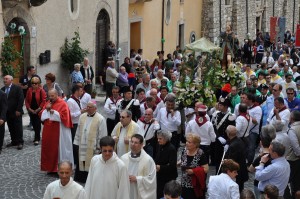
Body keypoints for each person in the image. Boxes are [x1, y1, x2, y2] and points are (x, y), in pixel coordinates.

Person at [39, 89, 74, 173]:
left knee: (60, 150)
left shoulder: (63, 104)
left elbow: (65, 117)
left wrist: (52, 112)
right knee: (48, 148)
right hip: (49, 130)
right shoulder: (48, 103)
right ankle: (50, 168)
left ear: (57, 95)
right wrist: (46, 110)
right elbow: (41, 115)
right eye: (49, 96)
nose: (50, 98)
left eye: (52, 96)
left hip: (60, 131)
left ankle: (59, 168)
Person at [73, 101, 107, 183]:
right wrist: (76, 143)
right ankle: (80, 178)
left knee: (91, 162)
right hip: (82, 144)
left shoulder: (100, 119)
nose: (87, 108)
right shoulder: (82, 117)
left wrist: (100, 146)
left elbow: (102, 133)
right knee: (81, 160)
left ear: (95, 108)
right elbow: (78, 130)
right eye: (87, 106)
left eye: (90, 107)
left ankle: (90, 179)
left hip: (93, 146)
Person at [121, 134, 157, 199]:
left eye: (136, 143)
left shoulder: (148, 160)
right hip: (126, 189)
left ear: (141, 145)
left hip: (139, 192)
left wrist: (137, 179)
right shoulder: (124, 158)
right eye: (131, 142)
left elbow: (151, 179)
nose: (133, 144)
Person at [248, 125, 276, 199]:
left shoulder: (260, 157)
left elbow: (250, 169)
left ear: (261, 143)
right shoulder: (274, 155)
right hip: (270, 183)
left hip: (259, 184)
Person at [180, 134, 208, 199]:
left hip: (195, 185)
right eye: (186, 141)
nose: (186, 143)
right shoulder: (184, 151)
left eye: (189, 142)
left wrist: (193, 171)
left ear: (195, 144)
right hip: (184, 183)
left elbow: (206, 169)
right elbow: (183, 160)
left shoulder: (200, 153)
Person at [211, 97, 235, 174]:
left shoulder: (231, 117)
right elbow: (214, 127)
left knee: (225, 161)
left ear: (226, 107)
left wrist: (228, 142)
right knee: (217, 159)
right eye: (219, 105)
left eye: (221, 105)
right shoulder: (216, 114)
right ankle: (217, 173)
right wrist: (218, 137)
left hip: (226, 141)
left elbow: (232, 132)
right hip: (218, 140)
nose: (219, 106)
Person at [1, 75, 24, 150]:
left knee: (18, 127)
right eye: (4, 79)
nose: (4, 80)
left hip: (16, 111)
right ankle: (14, 141)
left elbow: (21, 99)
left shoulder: (17, 88)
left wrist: (18, 110)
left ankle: (20, 142)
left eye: (6, 79)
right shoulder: (2, 89)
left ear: (11, 80)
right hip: (7, 112)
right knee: (11, 127)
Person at [225, 125, 249, 191]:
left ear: (228, 133)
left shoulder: (233, 146)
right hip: (241, 170)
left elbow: (231, 162)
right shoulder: (239, 140)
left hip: (237, 172)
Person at [155, 130, 178, 198]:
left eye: (160, 138)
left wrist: (160, 167)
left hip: (169, 177)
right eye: (158, 138)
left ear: (166, 138)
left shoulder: (171, 149)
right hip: (160, 176)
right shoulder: (159, 145)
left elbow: (172, 166)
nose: (158, 140)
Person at [25, 77, 47, 146]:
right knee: (33, 124)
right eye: (32, 83)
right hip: (31, 110)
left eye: (35, 83)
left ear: (38, 84)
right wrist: (29, 109)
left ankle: (37, 138)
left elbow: (43, 101)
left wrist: (38, 109)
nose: (34, 85)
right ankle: (36, 136)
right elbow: (27, 100)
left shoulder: (41, 90)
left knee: (37, 124)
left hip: (38, 110)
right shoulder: (29, 90)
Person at [286, 110, 300, 198]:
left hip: (293, 159)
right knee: (297, 181)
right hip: (297, 158)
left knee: (290, 180)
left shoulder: (292, 129)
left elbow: (295, 147)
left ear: (291, 118)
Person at [0, 89, 7, 154]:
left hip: (0, 118)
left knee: (0, 133)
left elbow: (4, 107)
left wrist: (2, 118)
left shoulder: (2, 94)